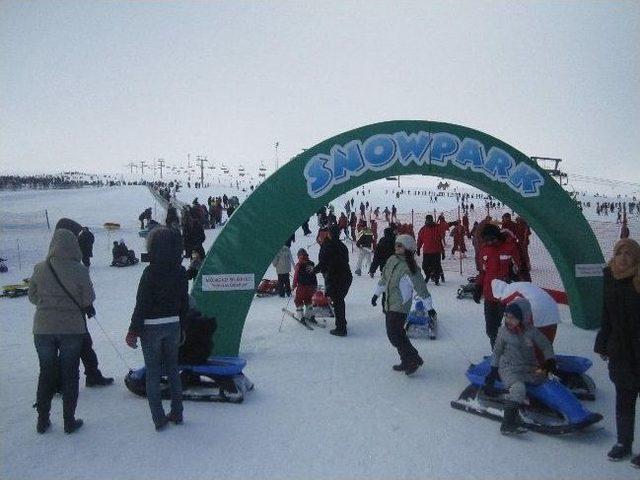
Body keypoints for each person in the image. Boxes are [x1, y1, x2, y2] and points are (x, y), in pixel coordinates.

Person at [28, 228, 96, 434]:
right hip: (71, 329)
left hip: (43, 329)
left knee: (46, 372)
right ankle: (69, 421)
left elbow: (32, 296)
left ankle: (42, 419)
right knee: (70, 374)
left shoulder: (40, 268)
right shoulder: (80, 269)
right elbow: (88, 299)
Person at [126, 227, 188, 431]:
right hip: (173, 324)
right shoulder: (180, 271)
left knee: (153, 373)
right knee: (172, 369)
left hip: (151, 327)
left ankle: (159, 418)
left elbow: (141, 303)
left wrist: (133, 330)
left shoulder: (150, 272)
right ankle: (177, 412)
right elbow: (183, 303)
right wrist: (183, 326)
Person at [594, 239, 640, 465]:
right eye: (620, 253)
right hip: (620, 348)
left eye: (629, 254)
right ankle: (623, 442)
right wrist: (603, 343)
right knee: (624, 397)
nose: (623, 257)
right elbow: (606, 313)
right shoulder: (610, 276)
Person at [55, 218, 113, 387]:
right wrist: (87, 304)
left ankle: (92, 374)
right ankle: (60, 382)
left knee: (83, 345)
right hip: (69, 315)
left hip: (60, 315)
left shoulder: (50, 263)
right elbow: (86, 292)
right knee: (71, 347)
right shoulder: (74, 266)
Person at [484, 298, 555, 435]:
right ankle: (508, 424)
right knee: (518, 389)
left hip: (530, 367)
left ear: (522, 318)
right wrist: (493, 370)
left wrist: (550, 360)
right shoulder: (503, 332)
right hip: (509, 368)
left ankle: (547, 406)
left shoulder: (531, 331)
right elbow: (497, 352)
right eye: (507, 317)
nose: (508, 320)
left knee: (546, 380)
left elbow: (546, 346)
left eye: (512, 318)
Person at [371, 234, 435, 375]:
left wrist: (430, 308)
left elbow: (421, 288)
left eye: (400, 245)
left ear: (408, 248)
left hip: (400, 306)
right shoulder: (392, 260)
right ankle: (410, 358)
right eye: (396, 245)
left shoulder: (410, 267)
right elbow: (384, 279)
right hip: (389, 303)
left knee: (394, 335)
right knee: (397, 334)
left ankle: (411, 359)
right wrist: (376, 294)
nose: (397, 247)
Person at [473, 223, 521, 349]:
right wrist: (478, 287)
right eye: (487, 240)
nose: (490, 243)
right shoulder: (484, 249)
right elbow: (483, 272)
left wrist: (514, 273)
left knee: (510, 328)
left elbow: (519, 268)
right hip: (490, 296)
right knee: (491, 329)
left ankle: (511, 355)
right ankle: (496, 351)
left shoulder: (510, 247)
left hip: (506, 296)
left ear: (498, 236)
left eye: (492, 239)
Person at [313, 225, 352, 336]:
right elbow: (346, 260)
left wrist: (314, 271)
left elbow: (322, 263)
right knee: (339, 301)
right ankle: (342, 323)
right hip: (346, 276)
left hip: (335, 278)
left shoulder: (327, 246)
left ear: (329, 234)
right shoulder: (342, 246)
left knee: (338, 302)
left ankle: (341, 328)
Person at [292, 248, 318, 322]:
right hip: (313, 286)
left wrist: (293, 285)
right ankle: (309, 315)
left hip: (302, 286)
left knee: (298, 300)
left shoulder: (299, 265)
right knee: (308, 299)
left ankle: (300, 316)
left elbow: (296, 276)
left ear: (299, 256)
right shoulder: (312, 263)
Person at [416, 215, 443, 285]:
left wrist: (443, 252)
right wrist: (418, 248)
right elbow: (420, 240)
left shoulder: (437, 227)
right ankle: (429, 275)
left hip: (436, 251)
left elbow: (440, 240)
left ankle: (437, 280)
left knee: (437, 266)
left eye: (430, 219)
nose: (429, 221)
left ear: (432, 219)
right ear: (426, 220)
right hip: (427, 251)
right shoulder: (423, 229)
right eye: (427, 219)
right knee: (424, 266)